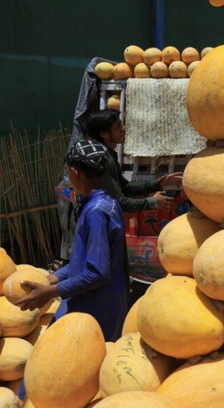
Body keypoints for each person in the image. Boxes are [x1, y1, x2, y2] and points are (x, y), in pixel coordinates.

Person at [14, 139, 129, 342]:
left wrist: (50, 292)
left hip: (97, 307)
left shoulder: (96, 212)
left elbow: (96, 273)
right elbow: (84, 259)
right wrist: (51, 279)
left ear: (74, 172)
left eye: (67, 171)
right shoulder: (105, 202)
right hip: (93, 299)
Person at [87, 109, 182, 212]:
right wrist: (152, 201)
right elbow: (119, 203)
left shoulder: (109, 155)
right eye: (118, 126)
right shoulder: (105, 159)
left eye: (121, 124)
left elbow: (126, 188)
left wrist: (159, 184)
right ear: (104, 134)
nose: (124, 128)